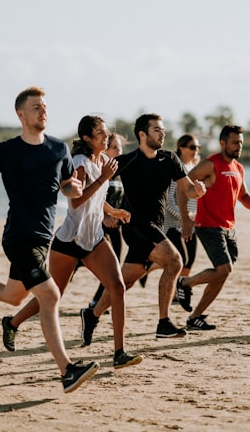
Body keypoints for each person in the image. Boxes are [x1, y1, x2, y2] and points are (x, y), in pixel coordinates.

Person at [0, 86, 99, 393]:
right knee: (50, 296)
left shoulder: (59, 148)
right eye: (36, 107)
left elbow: (66, 185)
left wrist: (74, 189)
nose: (43, 112)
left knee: (13, 296)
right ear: (21, 114)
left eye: (45, 107)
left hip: (42, 238)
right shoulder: (7, 150)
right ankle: (67, 370)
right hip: (18, 237)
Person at [1, 116, 142, 370]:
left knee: (117, 287)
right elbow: (76, 201)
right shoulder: (80, 163)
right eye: (100, 133)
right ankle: (12, 323)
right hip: (69, 240)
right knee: (54, 294)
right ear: (87, 138)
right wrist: (103, 179)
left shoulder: (103, 162)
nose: (106, 136)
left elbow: (96, 198)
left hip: (94, 238)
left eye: (106, 132)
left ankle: (119, 353)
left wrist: (112, 211)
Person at [80, 113, 207, 343]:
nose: (162, 134)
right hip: (136, 225)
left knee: (125, 282)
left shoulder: (169, 159)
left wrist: (197, 191)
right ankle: (163, 322)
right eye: (157, 130)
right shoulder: (127, 161)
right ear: (142, 134)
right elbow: (96, 186)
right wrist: (107, 213)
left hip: (156, 226)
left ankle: (92, 314)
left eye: (163, 130)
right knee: (175, 261)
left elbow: (187, 189)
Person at [175, 124, 250, 330]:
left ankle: (195, 317)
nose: (239, 146)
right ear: (223, 143)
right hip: (208, 225)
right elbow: (182, 187)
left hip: (228, 228)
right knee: (224, 269)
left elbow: (243, 197)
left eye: (241, 143)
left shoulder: (238, 168)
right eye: (235, 142)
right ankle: (185, 283)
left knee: (222, 274)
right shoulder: (210, 164)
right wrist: (185, 218)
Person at [88, 132, 127, 308]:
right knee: (76, 264)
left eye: (120, 148)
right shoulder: (100, 171)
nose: (119, 151)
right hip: (97, 226)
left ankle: (97, 300)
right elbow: (90, 196)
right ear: (105, 150)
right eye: (114, 148)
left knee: (114, 266)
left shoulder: (120, 173)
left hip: (115, 228)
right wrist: (104, 216)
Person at [163, 134, 202, 308]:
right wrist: (184, 216)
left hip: (191, 222)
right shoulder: (176, 168)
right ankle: (173, 292)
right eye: (193, 147)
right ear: (181, 148)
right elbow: (168, 201)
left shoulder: (195, 168)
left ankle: (179, 292)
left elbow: (196, 198)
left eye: (198, 147)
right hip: (173, 224)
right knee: (180, 259)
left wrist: (195, 217)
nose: (196, 150)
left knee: (190, 260)